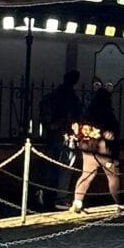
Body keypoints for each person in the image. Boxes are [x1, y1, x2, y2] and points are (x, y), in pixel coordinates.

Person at [69, 78, 124, 212]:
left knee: (87, 175)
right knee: (112, 177)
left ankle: (77, 202)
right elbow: (114, 131)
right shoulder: (108, 113)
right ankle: (120, 203)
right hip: (104, 150)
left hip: (88, 147)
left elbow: (81, 126)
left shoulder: (88, 112)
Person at [38, 68, 83, 210]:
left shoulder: (53, 96)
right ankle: (61, 198)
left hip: (52, 136)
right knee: (66, 168)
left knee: (51, 167)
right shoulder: (72, 98)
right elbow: (75, 116)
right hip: (66, 136)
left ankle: (45, 194)